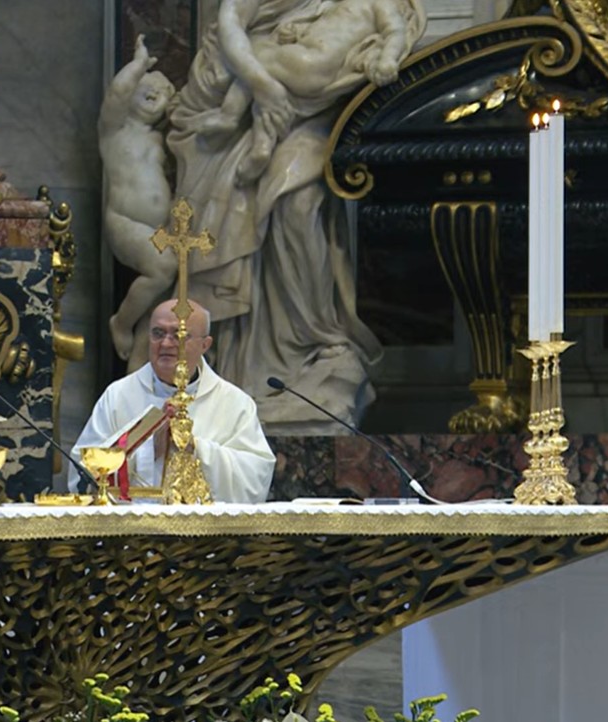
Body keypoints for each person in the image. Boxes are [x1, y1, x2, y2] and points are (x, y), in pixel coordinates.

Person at [151, 0, 423, 430]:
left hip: (323, 119)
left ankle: (317, 341)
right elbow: (230, 27)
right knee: (249, 194)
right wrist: (264, 87)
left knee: (297, 204)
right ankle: (244, 374)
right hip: (262, 95)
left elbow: (393, 37)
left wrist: (383, 54)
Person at [73, 298, 274, 503]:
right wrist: (150, 450)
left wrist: (195, 448)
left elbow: (256, 478)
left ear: (205, 345)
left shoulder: (235, 403)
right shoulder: (118, 396)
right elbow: (81, 476)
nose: (167, 343)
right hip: (134, 530)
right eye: (158, 334)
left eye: (180, 335)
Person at [100, 34, 181, 357]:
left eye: (162, 93)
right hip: (123, 220)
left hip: (159, 229)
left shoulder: (160, 141)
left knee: (168, 273)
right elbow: (117, 94)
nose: (155, 93)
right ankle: (121, 321)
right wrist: (138, 65)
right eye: (145, 88)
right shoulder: (115, 131)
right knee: (163, 268)